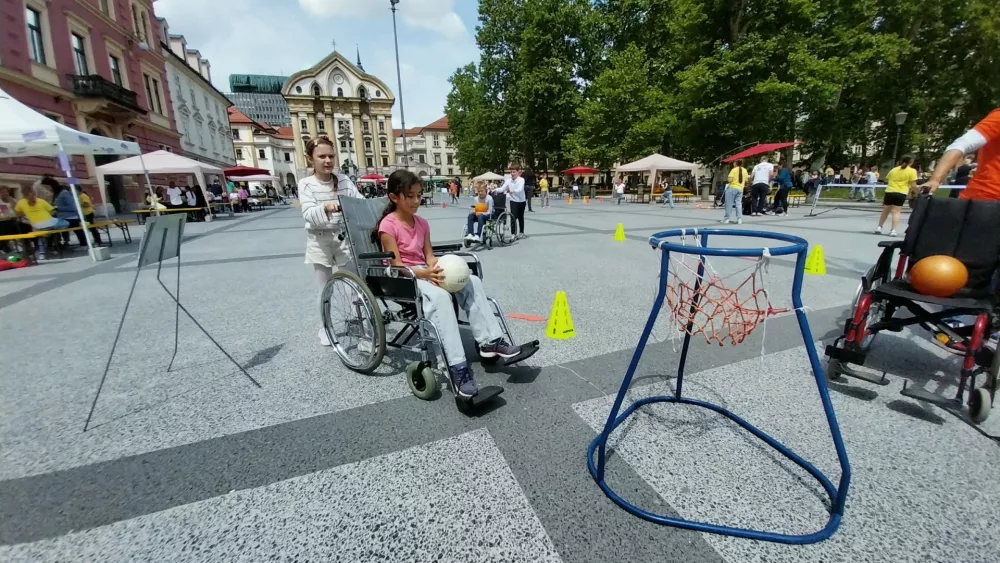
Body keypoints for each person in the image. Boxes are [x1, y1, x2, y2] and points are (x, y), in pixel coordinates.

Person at [375, 170, 525, 397]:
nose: (417, 201)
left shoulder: (422, 223)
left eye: (419, 195)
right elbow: (396, 264)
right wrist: (425, 274)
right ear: (395, 197)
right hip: (404, 278)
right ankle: (456, 367)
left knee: (470, 280)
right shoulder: (388, 226)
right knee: (441, 298)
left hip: (426, 271)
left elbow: (429, 255)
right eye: (411, 196)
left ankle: (490, 341)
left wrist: (440, 269)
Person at [299, 136, 365, 347]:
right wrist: (327, 207)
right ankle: (325, 327)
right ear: (311, 159)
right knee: (325, 288)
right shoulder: (306, 184)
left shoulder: (344, 180)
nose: (327, 160)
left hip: (344, 237)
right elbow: (308, 213)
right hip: (320, 240)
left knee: (354, 287)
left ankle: (363, 329)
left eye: (331, 156)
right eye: (321, 156)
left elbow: (359, 203)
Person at [15, 183, 69, 260]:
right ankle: (52, 237)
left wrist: (28, 214)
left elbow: (18, 213)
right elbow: (53, 212)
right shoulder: (40, 201)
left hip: (36, 225)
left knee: (43, 236)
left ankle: (42, 253)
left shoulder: (20, 203)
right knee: (66, 223)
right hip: (49, 222)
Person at [874, 155, 917, 237]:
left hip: (890, 191)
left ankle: (879, 227)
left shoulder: (894, 169)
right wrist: (916, 193)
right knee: (896, 212)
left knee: (885, 210)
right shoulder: (912, 171)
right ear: (911, 162)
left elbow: (888, 179)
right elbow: (913, 185)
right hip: (901, 193)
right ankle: (893, 230)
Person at [51, 182, 87, 247]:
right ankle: (82, 244)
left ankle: (68, 243)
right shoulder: (66, 194)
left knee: (78, 230)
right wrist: (58, 208)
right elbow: (73, 207)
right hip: (67, 217)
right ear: (73, 189)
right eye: (78, 193)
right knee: (78, 230)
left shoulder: (69, 194)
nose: (78, 195)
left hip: (69, 216)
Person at [502, 165, 527, 240]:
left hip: (522, 201)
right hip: (513, 201)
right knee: (513, 217)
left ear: (517, 172)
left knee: (520, 217)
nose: (512, 173)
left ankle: (521, 232)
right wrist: (494, 190)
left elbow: (519, 189)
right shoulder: (508, 181)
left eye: (514, 172)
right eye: (511, 172)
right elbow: (502, 188)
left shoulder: (521, 180)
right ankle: (513, 233)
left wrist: (511, 191)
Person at [721, 159, 748, 224]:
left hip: (732, 188)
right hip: (740, 189)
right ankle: (739, 219)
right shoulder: (745, 170)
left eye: (734, 162)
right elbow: (746, 180)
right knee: (738, 204)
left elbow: (730, 179)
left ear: (736, 163)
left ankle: (727, 218)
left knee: (729, 204)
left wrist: (727, 180)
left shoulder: (734, 170)